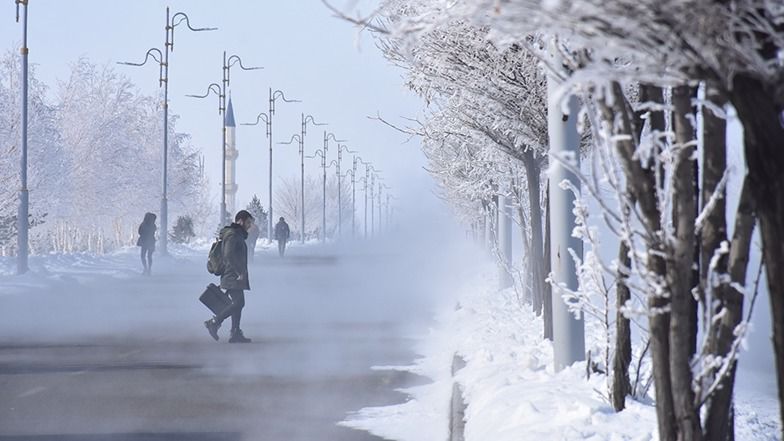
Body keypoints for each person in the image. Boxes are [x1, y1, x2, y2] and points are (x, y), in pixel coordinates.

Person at [205, 210, 254, 343]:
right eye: (248, 222)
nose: (250, 226)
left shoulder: (237, 234)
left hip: (235, 274)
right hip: (232, 275)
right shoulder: (233, 235)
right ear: (241, 221)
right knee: (238, 303)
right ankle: (214, 322)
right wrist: (239, 272)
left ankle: (235, 332)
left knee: (238, 303)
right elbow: (228, 255)